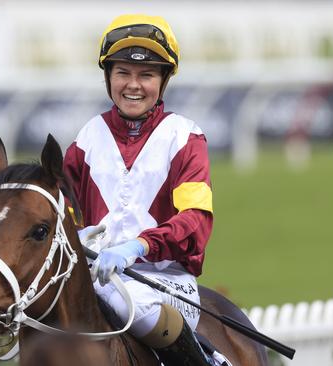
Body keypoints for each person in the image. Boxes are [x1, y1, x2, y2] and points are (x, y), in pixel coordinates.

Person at [63, 14, 226, 366]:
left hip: (166, 282)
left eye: (146, 75)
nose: (133, 85)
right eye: (123, 73)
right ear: (108, 77)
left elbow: (195, 220)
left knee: (124, 302)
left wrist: (138, 246)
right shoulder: (86, 139)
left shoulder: (185, 137)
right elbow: (64, 212)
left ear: (163, 81)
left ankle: (209, 360)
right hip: (95, 278)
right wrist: (78, 234)